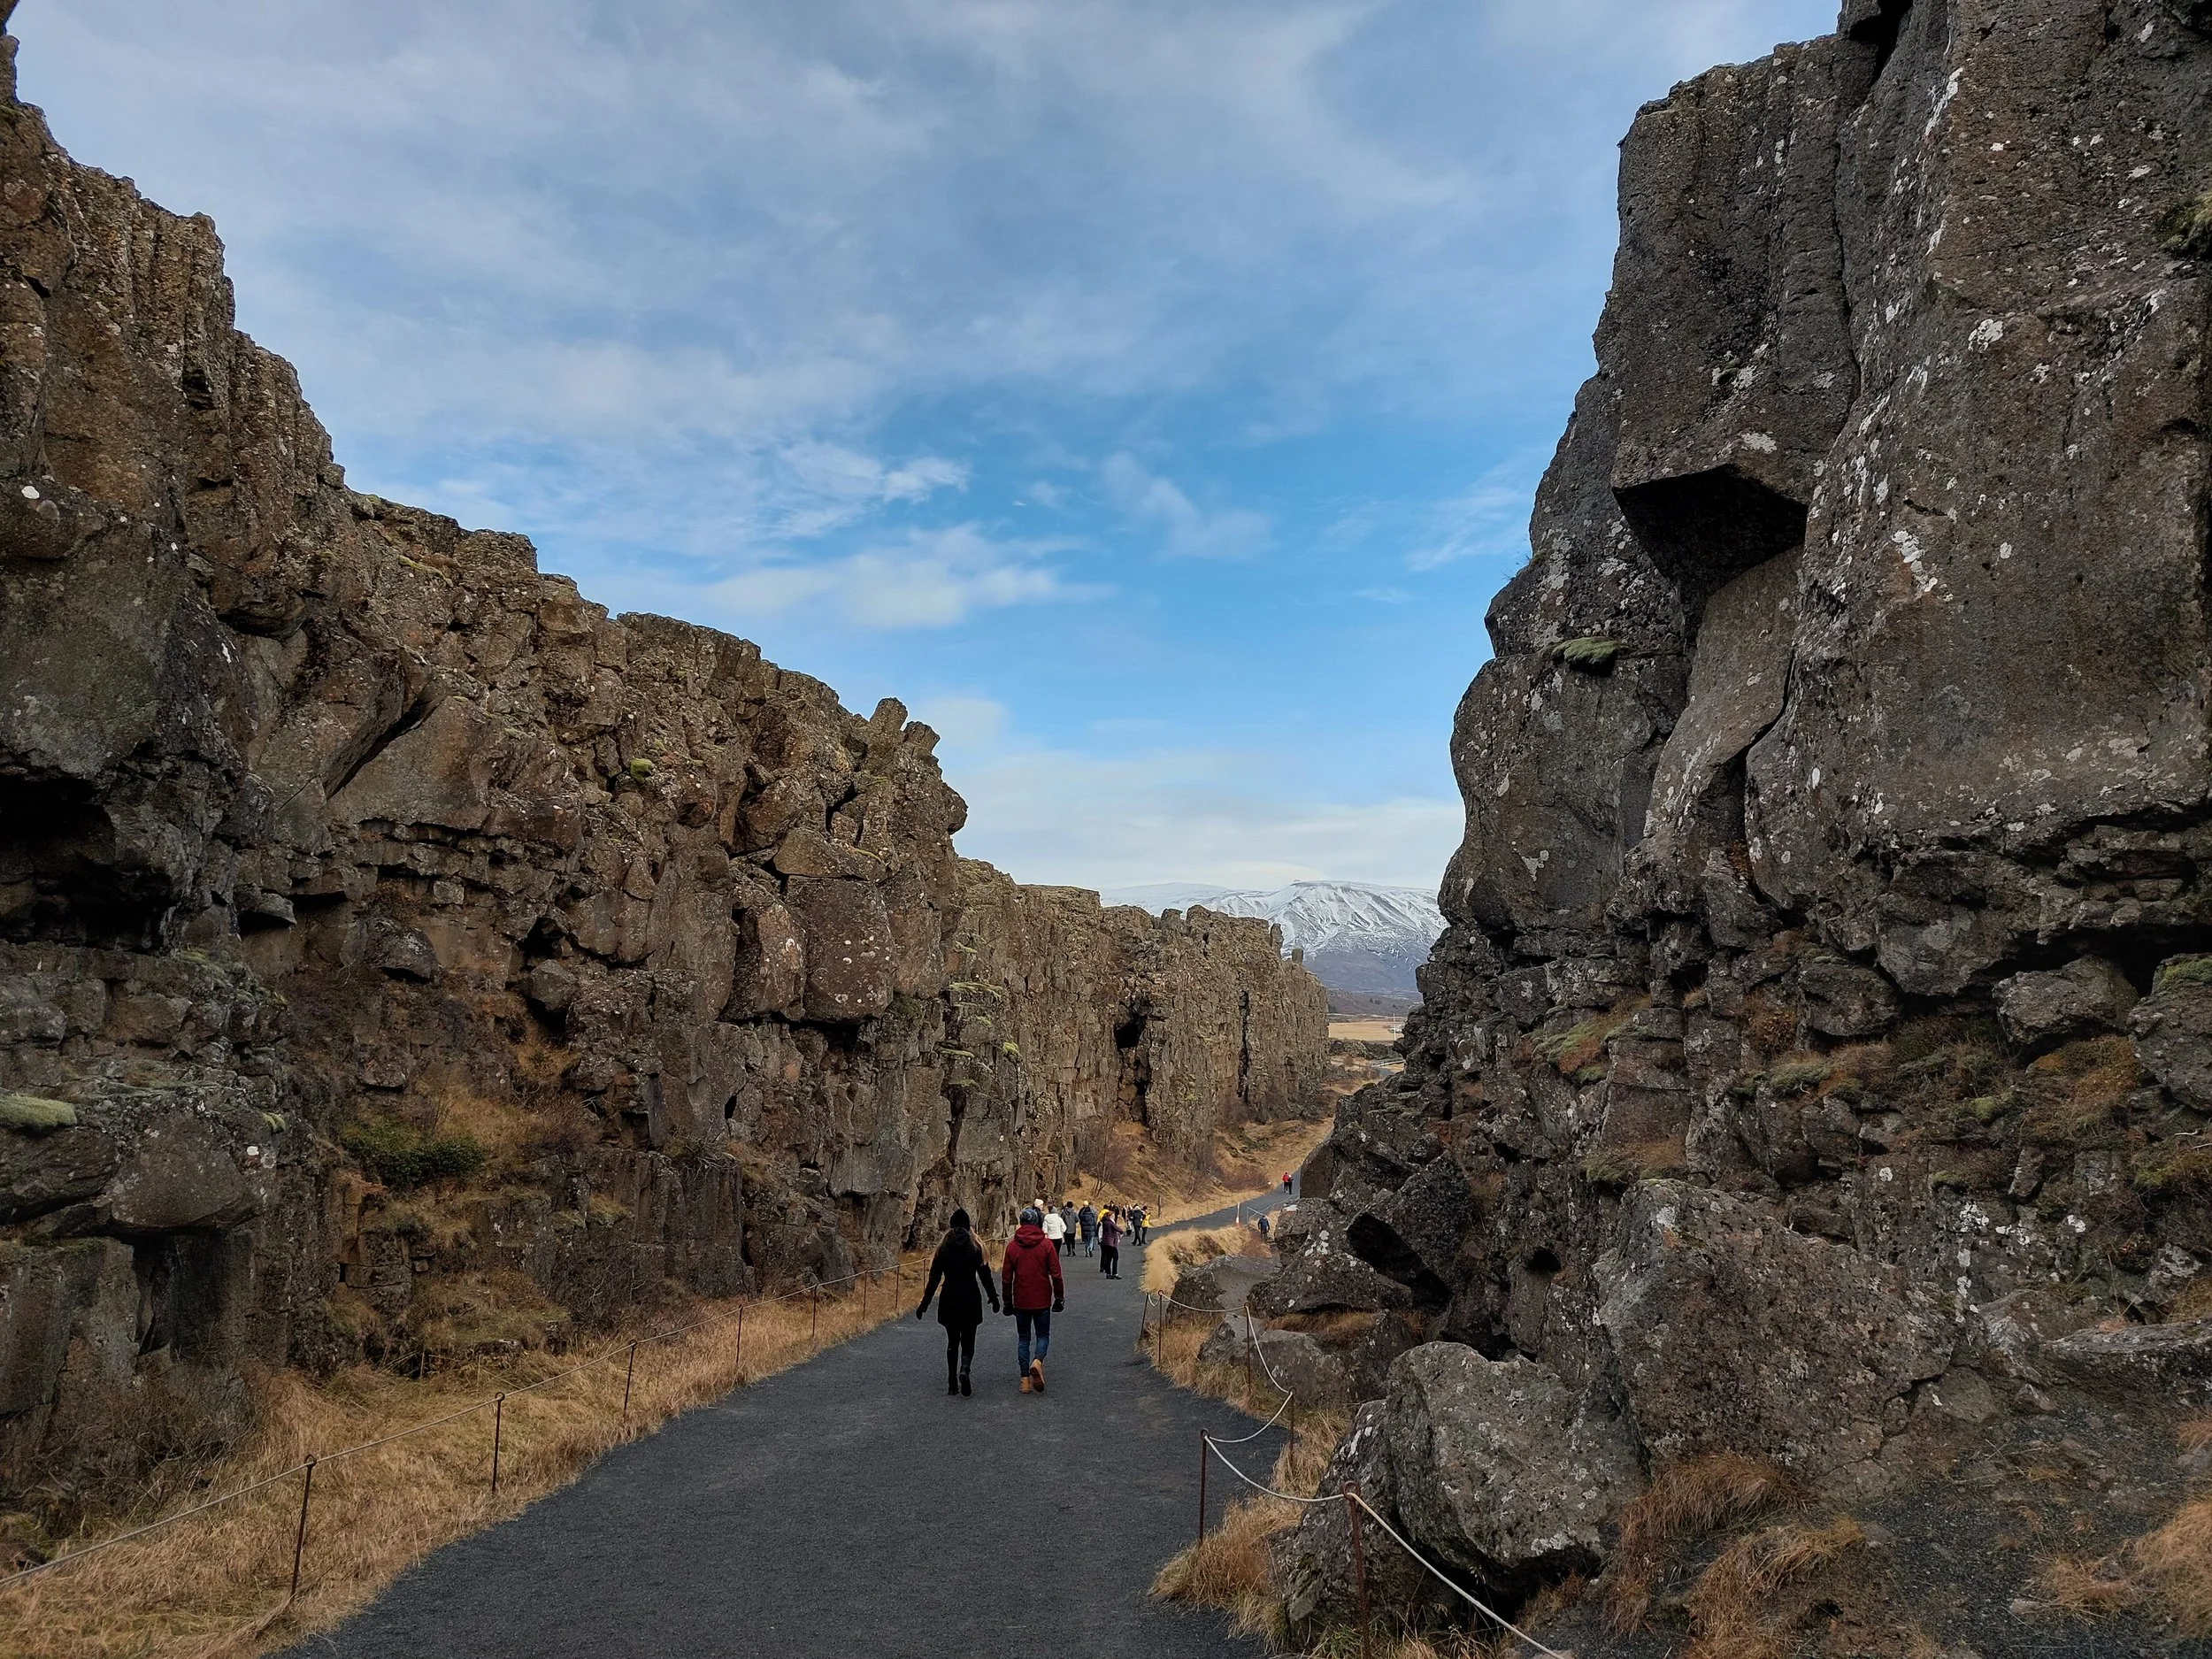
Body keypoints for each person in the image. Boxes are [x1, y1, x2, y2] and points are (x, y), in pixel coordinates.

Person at [916, 1207, 999, 1396]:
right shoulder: (976, 1248)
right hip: (970, 1297)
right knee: (969, 1339)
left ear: (951, 1226)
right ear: (969, 1225)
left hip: (949, 1298)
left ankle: (952, 1381)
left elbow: (934, 1280)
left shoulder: (942, 1249)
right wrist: (993, 1298)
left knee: (953, 1341)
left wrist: (924, 1305)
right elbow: (986, 1276)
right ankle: (965, 1369)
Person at [1001, 1205, 1064, 1393]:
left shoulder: (1012, 1246)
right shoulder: (1046, 1245)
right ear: (1037, 1222)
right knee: (1043, 1335)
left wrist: (1007, 1301)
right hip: (1042, 1298)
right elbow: (1056, 1274)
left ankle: (1025, 1380)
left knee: (1023, 1338)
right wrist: (1059, 1297)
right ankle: (1037, 1361)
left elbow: (1006, 1277)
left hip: (1021, 1299)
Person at [1097, 1206, 1123, 1279]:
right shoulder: (1110, 1223)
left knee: (1108, 1258)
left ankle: (1108, 1273)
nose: (1114, 1217)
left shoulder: (1104, 1222)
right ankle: (1115, 1273)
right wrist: (1121, 1232)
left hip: (1105, 1242)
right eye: (1113, 1216)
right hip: (1111, 1242)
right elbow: (1118, 1229)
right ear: (1110, 1216)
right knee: (1115, 1257)